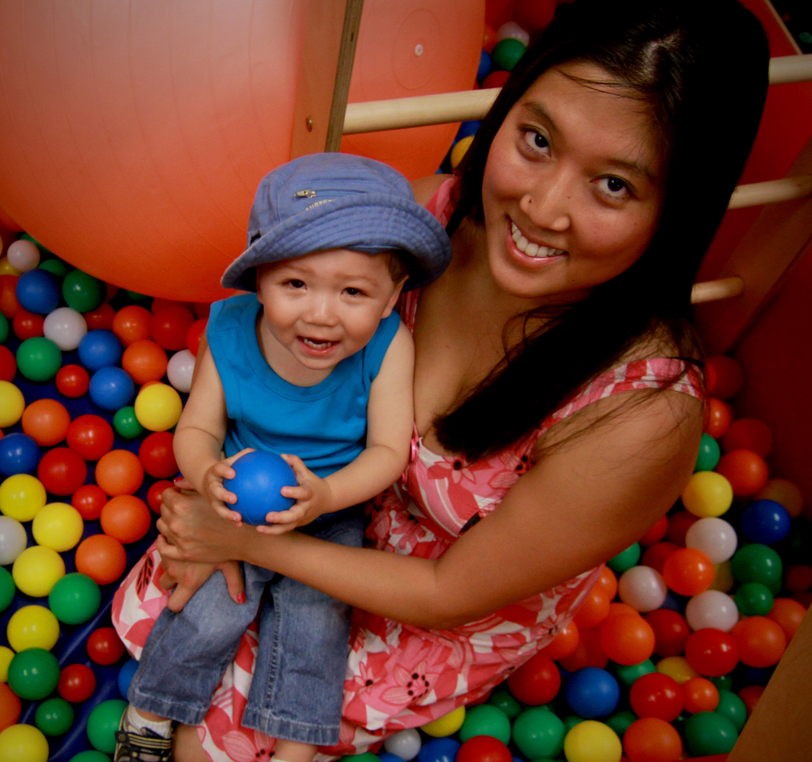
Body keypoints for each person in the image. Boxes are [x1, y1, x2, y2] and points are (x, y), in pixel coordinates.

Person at [112, 1, 770, 759]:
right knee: (173, 633)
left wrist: (246, 538)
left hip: (424, 599)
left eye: (614, 186)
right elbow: (287, 339)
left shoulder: (641, 412)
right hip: (320, 490)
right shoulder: (422, 226)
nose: (541, 208)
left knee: (224, 742)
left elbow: (447, 594)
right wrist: (234, 480)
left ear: (678, 208)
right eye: (536, 139)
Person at [113, 152, 453, 762]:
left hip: (331, 508)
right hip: (234, 505)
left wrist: (325, 497)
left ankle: (297, 746)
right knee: (207, 608)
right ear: (260, 279)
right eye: (295, 284)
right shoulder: (231, 331)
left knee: (315, 624)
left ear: (390, 296)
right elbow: (196, 428)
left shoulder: (388, 346)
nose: (321, 314)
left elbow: (384, 452)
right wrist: (207, 474)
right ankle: (149, 715)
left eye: (353, 291)